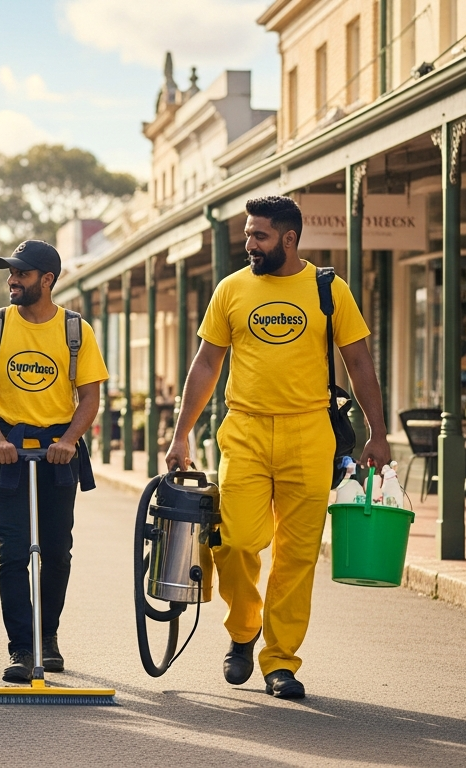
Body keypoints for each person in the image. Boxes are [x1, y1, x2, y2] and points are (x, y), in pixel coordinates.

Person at [164, 196, 390, 700]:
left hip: (310, 433)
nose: (249, 244)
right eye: (247, 234)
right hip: (243, 430)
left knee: (297, 556)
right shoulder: (232, 289)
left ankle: (280, 661)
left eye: (259, 236)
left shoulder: (328, 291)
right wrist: (181, 433)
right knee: (236, 542)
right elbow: (205, 365)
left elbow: (359, 361)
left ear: (289, 239)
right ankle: (243, 629)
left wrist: (378, 431)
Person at [0, 240, 106, 683]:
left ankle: (49, 637)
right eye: (10, 273)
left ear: (47, 280)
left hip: (57, 454)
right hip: (9, 453)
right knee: (13, 553)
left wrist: (69, 439)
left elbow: (90, 396)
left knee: (57, 552)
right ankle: (22, 648)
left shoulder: (75, 330)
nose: (12, 281)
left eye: (21, 274)